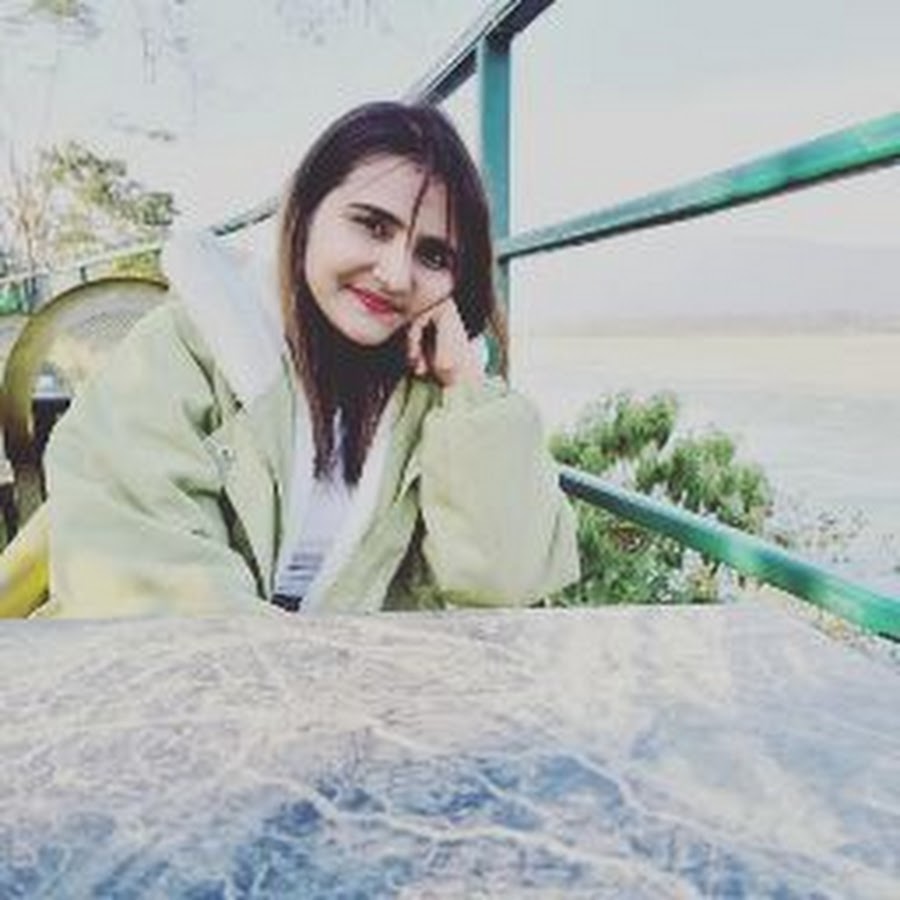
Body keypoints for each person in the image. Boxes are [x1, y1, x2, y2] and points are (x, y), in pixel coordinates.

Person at [40, 101, 579, 617]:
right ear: (306, 212)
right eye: (373, 225)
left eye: (433, 255)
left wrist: (465, 384)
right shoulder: (189, 349)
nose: (396, 276)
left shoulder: (447, 403)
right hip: (202, 676)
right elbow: (139, 572)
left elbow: (507, 583)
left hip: (352, 678)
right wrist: (296, 672)